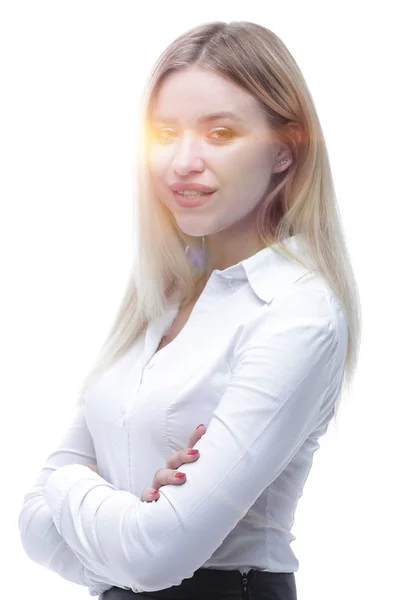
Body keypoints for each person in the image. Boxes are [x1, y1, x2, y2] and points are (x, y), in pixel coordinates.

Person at [17, 20, 361, 600]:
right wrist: (127, 524)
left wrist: (71, 483)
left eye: (220, 134)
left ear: (285, 151)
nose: (182, 161)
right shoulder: (159, 298)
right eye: (166, 132)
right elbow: (32, 527)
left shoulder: (298, 313)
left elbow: (153, 555)